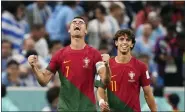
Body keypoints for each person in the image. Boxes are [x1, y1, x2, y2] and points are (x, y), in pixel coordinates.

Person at [28, 16, 110, 111]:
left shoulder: (94, 54)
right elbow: (44, 81)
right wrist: (34, 67)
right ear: (69, 30)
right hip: (65, 108)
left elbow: (105, 80)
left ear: (86, 31)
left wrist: (107, 66)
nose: (77, 23)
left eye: (81, 22)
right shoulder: (59, 55)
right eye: (74, 22)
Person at [96, 29, 157, 111]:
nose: (124, 42)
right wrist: (102, 102)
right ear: (116, 43)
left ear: (132, 44)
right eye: (121, 39)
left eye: (128, 40)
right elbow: (100, 89)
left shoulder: (141, 66)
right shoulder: (106, 64)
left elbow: (148, 94)